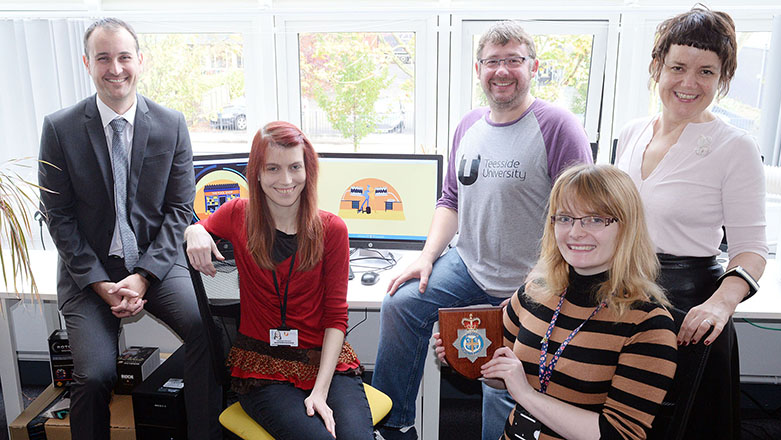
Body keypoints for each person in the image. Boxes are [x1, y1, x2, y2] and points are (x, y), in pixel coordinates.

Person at [372, 20, 593, 440]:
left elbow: (581, 213)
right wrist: (426, 257)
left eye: (514, 60)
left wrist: (554, 279)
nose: (502, 71)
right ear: (479, 70)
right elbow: (450, 201)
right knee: (400, 304)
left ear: (534, 66)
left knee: (502, 376)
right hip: (469, 266)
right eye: (493, 61)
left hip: (534, 279)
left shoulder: (558, 126)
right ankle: (395, 425)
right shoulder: (468, 126)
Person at [38, 18, 221, 440]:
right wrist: (102, 284)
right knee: (95, 374)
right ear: (87, 63)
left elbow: (179, 207)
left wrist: (142, 276)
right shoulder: (60, 129)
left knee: (204, 330)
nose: (115, 68)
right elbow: (59, 217)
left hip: (154, 262)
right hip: (89, 271)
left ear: (140, 60)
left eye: (124, 57)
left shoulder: (171, 123)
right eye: (103, 58)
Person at [436, 164, 678, 440]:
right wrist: (468, 360)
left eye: (595, 219)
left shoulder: (648, 324)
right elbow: (501, 377)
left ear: (626, 227)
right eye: (564, 218)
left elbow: (619, 435)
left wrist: (526, 395)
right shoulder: (534, 292)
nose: (575, 232)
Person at [615, 7, 768, 439]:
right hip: (623, 296)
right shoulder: (631, 132)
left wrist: (720, 305)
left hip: (688, 312)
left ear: (723, 78)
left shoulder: (735, 147)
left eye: (706, 71)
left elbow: (751, 249)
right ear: (656, 67)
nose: (688, 82)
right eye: (677, 67)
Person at [185, 121, 374, 440]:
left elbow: (336, 317)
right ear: (256, 173)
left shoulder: (332, 230)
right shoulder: (237, 215)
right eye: (273, 168)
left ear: (308, 170)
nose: (285, 180)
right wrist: (195, 230)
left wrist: (320, 391)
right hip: (262, 366)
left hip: (323, 361)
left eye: (294, 167)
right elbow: (197, 226)